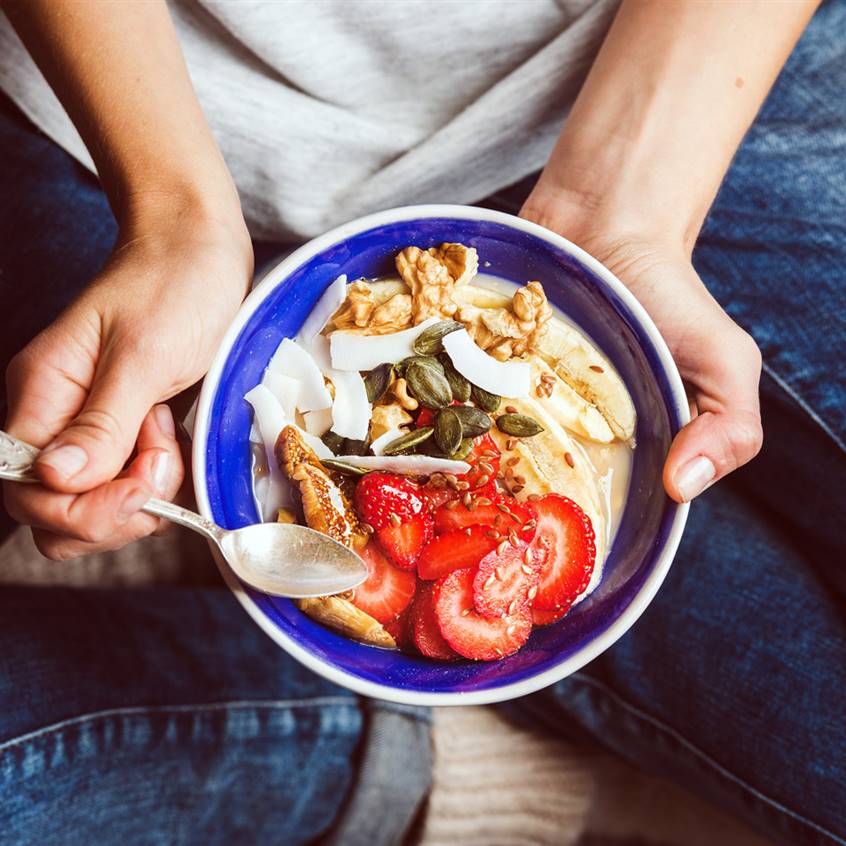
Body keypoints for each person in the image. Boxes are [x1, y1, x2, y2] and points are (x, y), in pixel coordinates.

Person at [0, 1, 843, 844]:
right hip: (131, 117)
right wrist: (175, 223)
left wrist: (624, 211)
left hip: (654, 84)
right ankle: (420, 747)